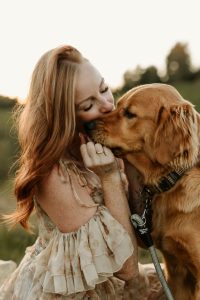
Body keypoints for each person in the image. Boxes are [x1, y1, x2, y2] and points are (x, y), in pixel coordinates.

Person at [0, 45, 142, 300]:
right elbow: (127, 268)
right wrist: (109, 177)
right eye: (89, 104)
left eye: (104, 89)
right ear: (65, 117)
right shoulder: (53, 174)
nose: (108, 106)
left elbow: (143, 228)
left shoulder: (108, 144)